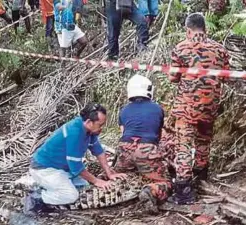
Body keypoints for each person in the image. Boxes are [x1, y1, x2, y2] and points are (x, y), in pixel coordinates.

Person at [160, 13, 230, 205]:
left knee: (183, 146)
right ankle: (201, 176)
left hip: (187, 108)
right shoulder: (220, 49)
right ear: (205, 28)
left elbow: (173, 78)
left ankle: (184, 190)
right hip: (210, 108)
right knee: (203, 142)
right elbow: (225, 77)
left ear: (188, 30)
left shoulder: (181, 48)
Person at [24, 103, 127, 214]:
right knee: (71, 195)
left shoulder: (89, 130)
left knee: (84, 186)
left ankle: (48, 187)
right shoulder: (75, 133)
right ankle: (37, 197)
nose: (101, 128)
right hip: (45, 169)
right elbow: (76, 167)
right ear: (88, 122)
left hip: (63, 168)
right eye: (100, 125)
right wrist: (97, 181)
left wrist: (109, 172)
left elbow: (98, 150)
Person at [113, 74, 171, 210]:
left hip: (125, 148)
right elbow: (159, 134)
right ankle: (151, 191)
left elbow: (123, 132)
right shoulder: (157, 109)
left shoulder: (124, 110)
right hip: (146, 149)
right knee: (165, 182)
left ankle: (99, 180)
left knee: (118, 174)